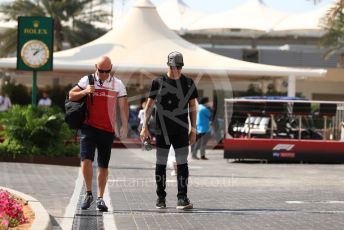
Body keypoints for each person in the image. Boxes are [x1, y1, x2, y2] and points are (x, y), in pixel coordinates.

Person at [68, 56, 128, 212]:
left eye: (107, 71)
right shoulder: (87, 80)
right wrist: (86, 91)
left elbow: (123, 106)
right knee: (86, 159)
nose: (103, 74)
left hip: (107, 130)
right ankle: (88, 193)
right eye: (101, 71)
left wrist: (125, 125)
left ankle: (100, 198)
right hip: (89, 127)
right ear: (96, 67)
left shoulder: (118, 84)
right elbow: (71, 95)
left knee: (103, 165)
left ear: (111, 68)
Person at [140, 51, 198, 210]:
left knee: (182, 164)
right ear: (168, 65)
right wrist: (144, 127)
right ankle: (160, 197)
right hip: (162, 130)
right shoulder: (158, 82)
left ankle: (182, 198)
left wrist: (193, 130)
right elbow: (149, 107)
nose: (177, 70)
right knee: (160, 164)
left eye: (179, 66)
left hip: (181, 130)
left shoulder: (188, 83)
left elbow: (193, 107)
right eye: (174, 66)